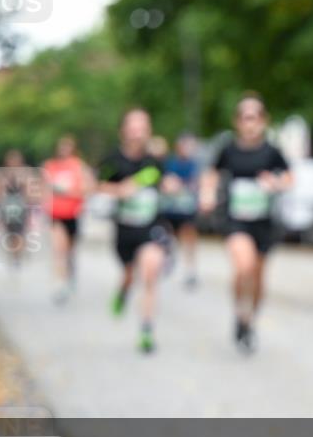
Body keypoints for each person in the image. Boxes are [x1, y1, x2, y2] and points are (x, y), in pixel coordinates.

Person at [200, 94, 292, 355]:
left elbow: (289, 178)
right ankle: (239, 311)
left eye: (255, 117)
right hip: (236, 220)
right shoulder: (228, 150)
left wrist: (275, 183)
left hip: (264, 223)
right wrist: (207, 194)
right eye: (244, 117)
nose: (249, 123)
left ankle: (248, 320)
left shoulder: (272, 151)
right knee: (244, 266)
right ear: (237, 122)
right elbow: (211, 174)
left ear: (263, 121)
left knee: (259, 277)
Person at [98, 108, 181, 354]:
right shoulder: (112, 160)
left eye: (143, 126)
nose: (138, 132)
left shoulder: (154, 160)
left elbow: (165, 181)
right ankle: (123, 292)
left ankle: (146, 329)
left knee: (150, 272)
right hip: (124, 230)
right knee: (128, 275)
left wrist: (171, 186)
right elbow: (93, 186)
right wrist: (118, 190)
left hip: (150, 227)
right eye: (133, 126)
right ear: (123, 131)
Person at [43, 135, 94, 304]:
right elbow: (44, 186)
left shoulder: (79, 166)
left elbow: (87, 187)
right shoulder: (50, 166)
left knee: (70, 251)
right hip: (56, 214)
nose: (64, 150)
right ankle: (60, 284)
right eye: (62, 146)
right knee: (59, 250)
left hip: (73, 214)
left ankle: (70, 273)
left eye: (68, 147)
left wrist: (73, 193)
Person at [161, 133, 202, 289]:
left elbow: (197, 183)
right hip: (170, 209)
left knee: (189, 237)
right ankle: (168, 260)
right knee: (168, 236)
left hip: (187, 208)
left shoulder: (194, 164)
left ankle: (190, 269)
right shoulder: (170, 163)